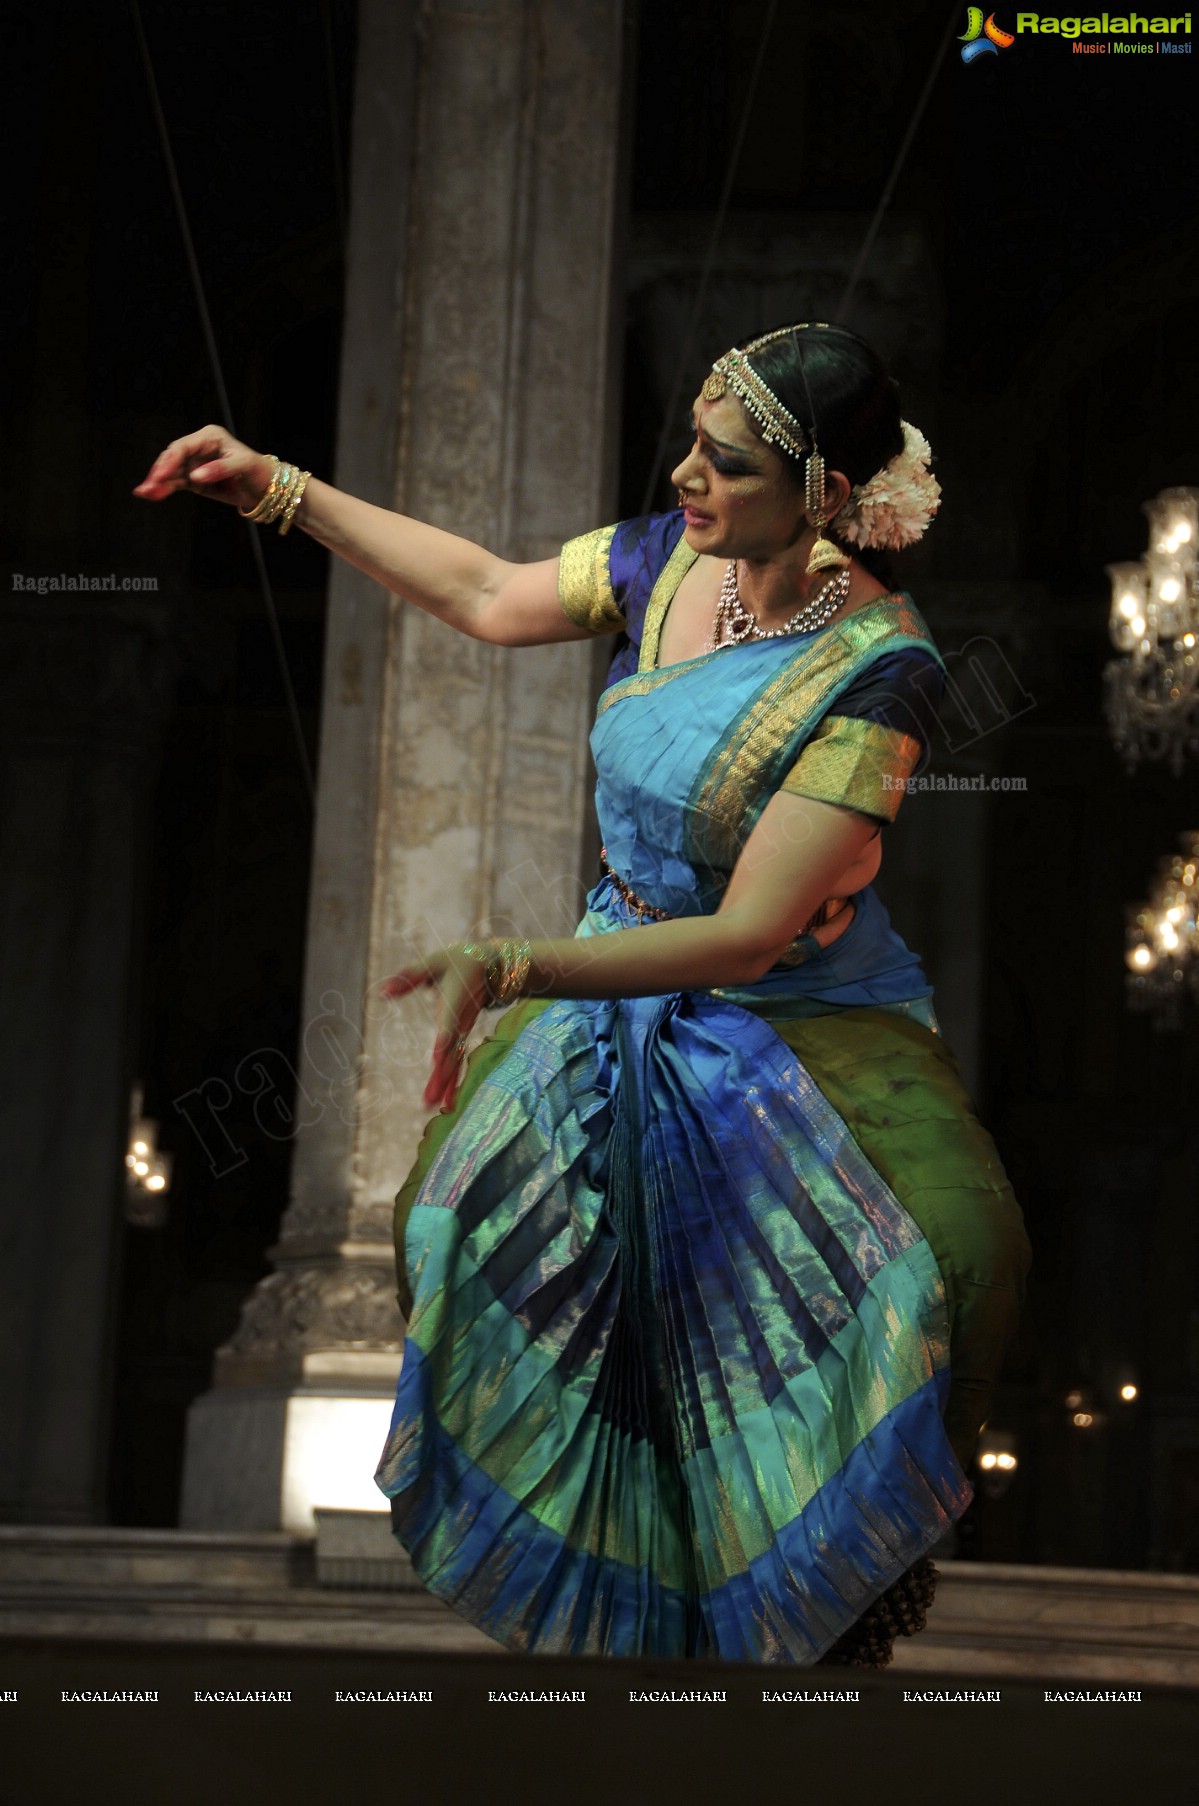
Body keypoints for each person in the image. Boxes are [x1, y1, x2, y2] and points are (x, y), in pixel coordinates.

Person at [135, 320, 1030, 1667]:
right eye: (691, 442)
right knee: (463, 1220)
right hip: (614, 978)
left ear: (826, 498)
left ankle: (841, 1593)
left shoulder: (879, 675)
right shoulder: (670, 557)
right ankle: (627, 1635)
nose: (686, 475)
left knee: (956, 1255)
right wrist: (277, 487)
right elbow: (493, 593)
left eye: (725, 465)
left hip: (789, 1010)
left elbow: (741, 938)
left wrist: (514, 968)